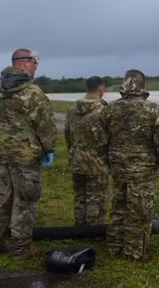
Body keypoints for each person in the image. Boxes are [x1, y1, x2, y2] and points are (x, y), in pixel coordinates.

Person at [0, 48, 57, 260]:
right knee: (24, 201)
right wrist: (48, 149)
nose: (36, 68)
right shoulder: (33, 93)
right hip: (25, 158)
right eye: (35, 64)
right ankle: (20, 249)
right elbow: (46, 128)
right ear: (26, 63)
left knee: (0, 198)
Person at [104, 69, 159, 262]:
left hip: (117, 167)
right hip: (141, 170)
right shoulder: (152, 110)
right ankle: (134, 253)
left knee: (119, 207)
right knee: (140, 212)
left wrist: (110, 160)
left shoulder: (110, 108)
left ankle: (115, 247)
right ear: (142, 85)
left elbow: (103, 138)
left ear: (124, 84)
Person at [64, 76, 109, 226]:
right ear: (101, 89)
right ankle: (93, 229)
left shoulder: (72, 110)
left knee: (80, 196)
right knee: (96, 197)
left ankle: (80, 227)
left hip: (76, 160)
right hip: (97, 162)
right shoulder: (104, 110)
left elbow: (68, 135)